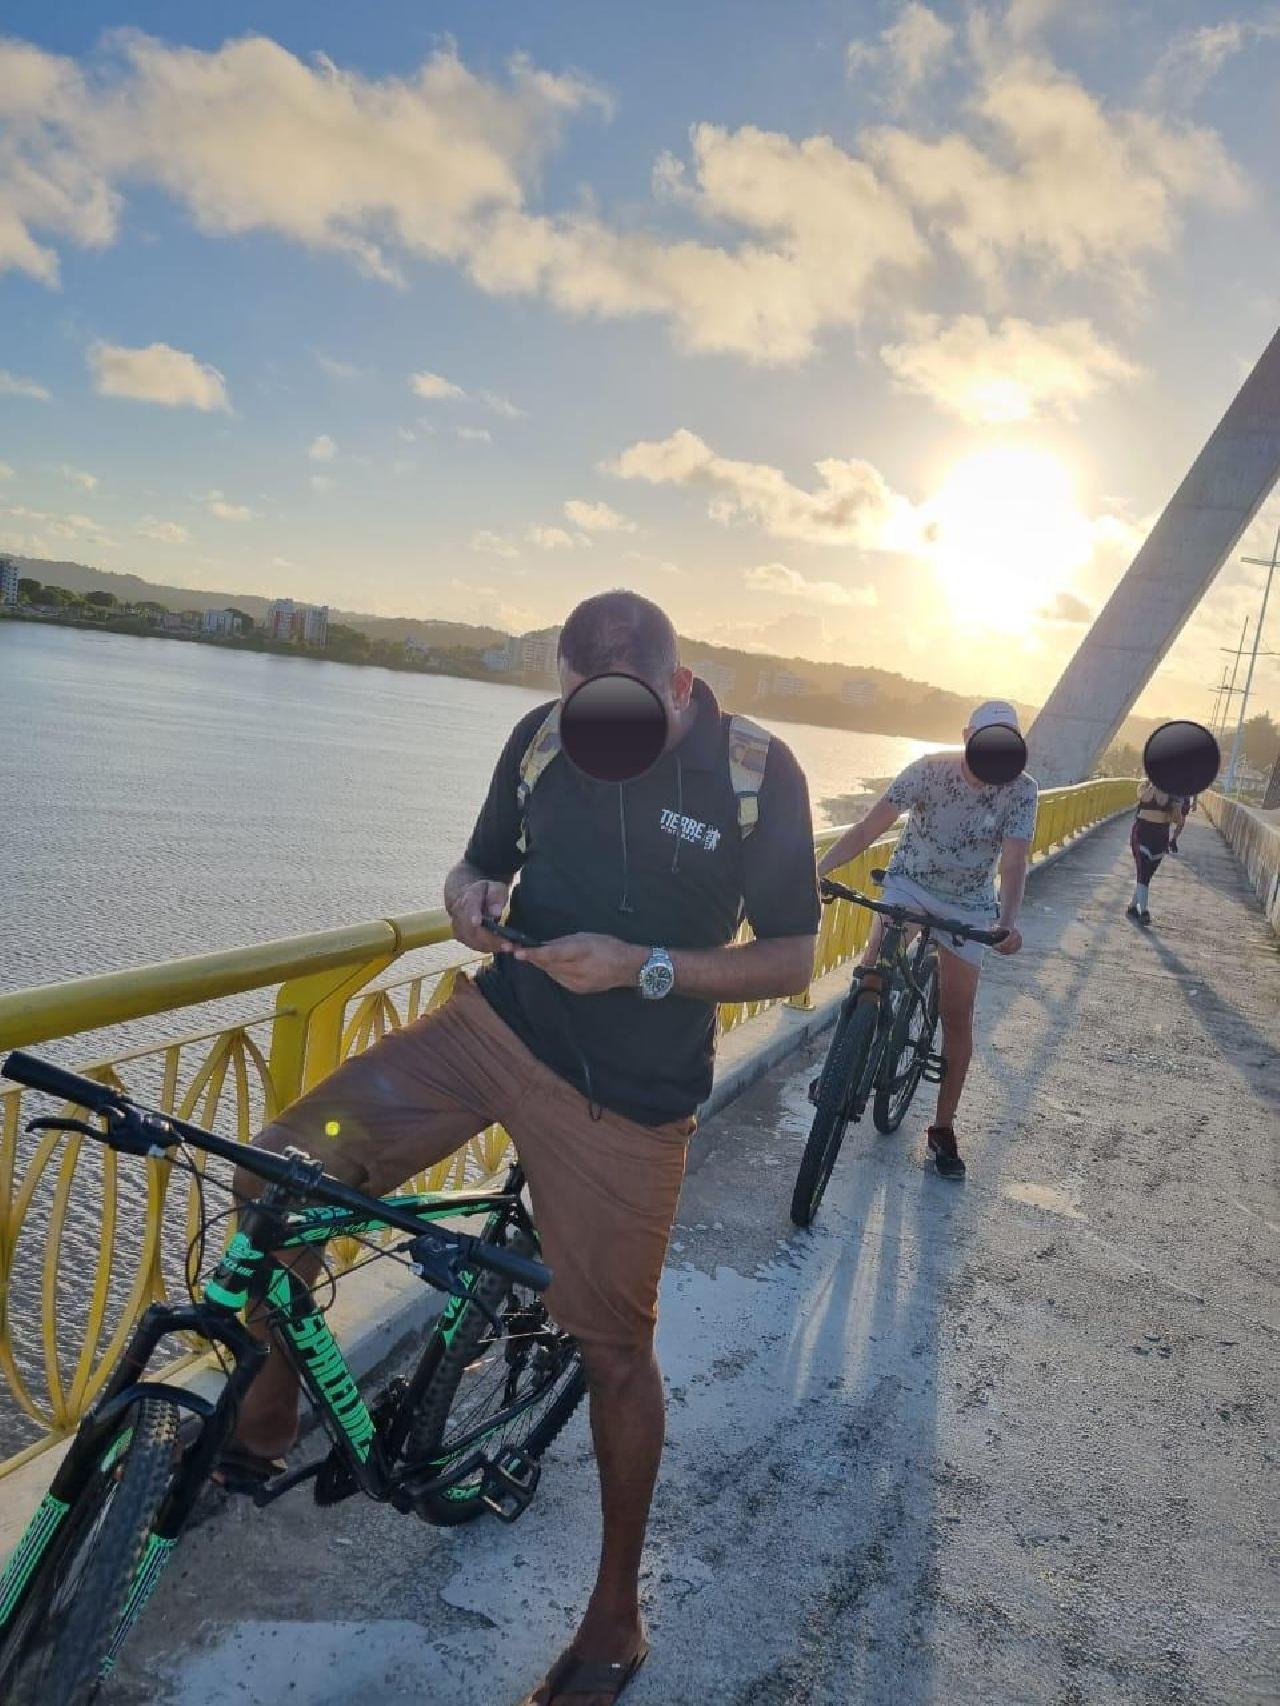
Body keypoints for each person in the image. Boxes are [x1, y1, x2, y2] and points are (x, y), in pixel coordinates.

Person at [224, 589, 820, 1706]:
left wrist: (643, 963)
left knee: (612, 1351)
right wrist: (465, 897)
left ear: (679, 689)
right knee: (278, 1173)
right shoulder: (542, 737)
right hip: (495, 1024)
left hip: (630, 1092)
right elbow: (474, 861)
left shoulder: (753, 769)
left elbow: (790, 955)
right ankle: (269, 1394)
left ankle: (615, 1613)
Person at [815, 701, 1038, 1179]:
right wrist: (818, 870)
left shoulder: (1022, 791)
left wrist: (1010, 920)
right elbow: (870, 826)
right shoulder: (928, 770)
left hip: (970, 904)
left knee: (958, 1014)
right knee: (870, 974)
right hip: (910, 883)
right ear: (966, 736)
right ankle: (840, 1068)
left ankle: (942, 1127)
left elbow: (1014, 861)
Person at [1127, 781, 1185, 922]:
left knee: (1146, 876)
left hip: (1160, 837)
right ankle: (1144, 912)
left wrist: (1177, 807)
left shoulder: (1175, 795)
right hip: (1142, 833)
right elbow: (1141, 796)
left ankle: (1132, 908)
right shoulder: (1145, 787)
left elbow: (1179, 821)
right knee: (1143, 873)